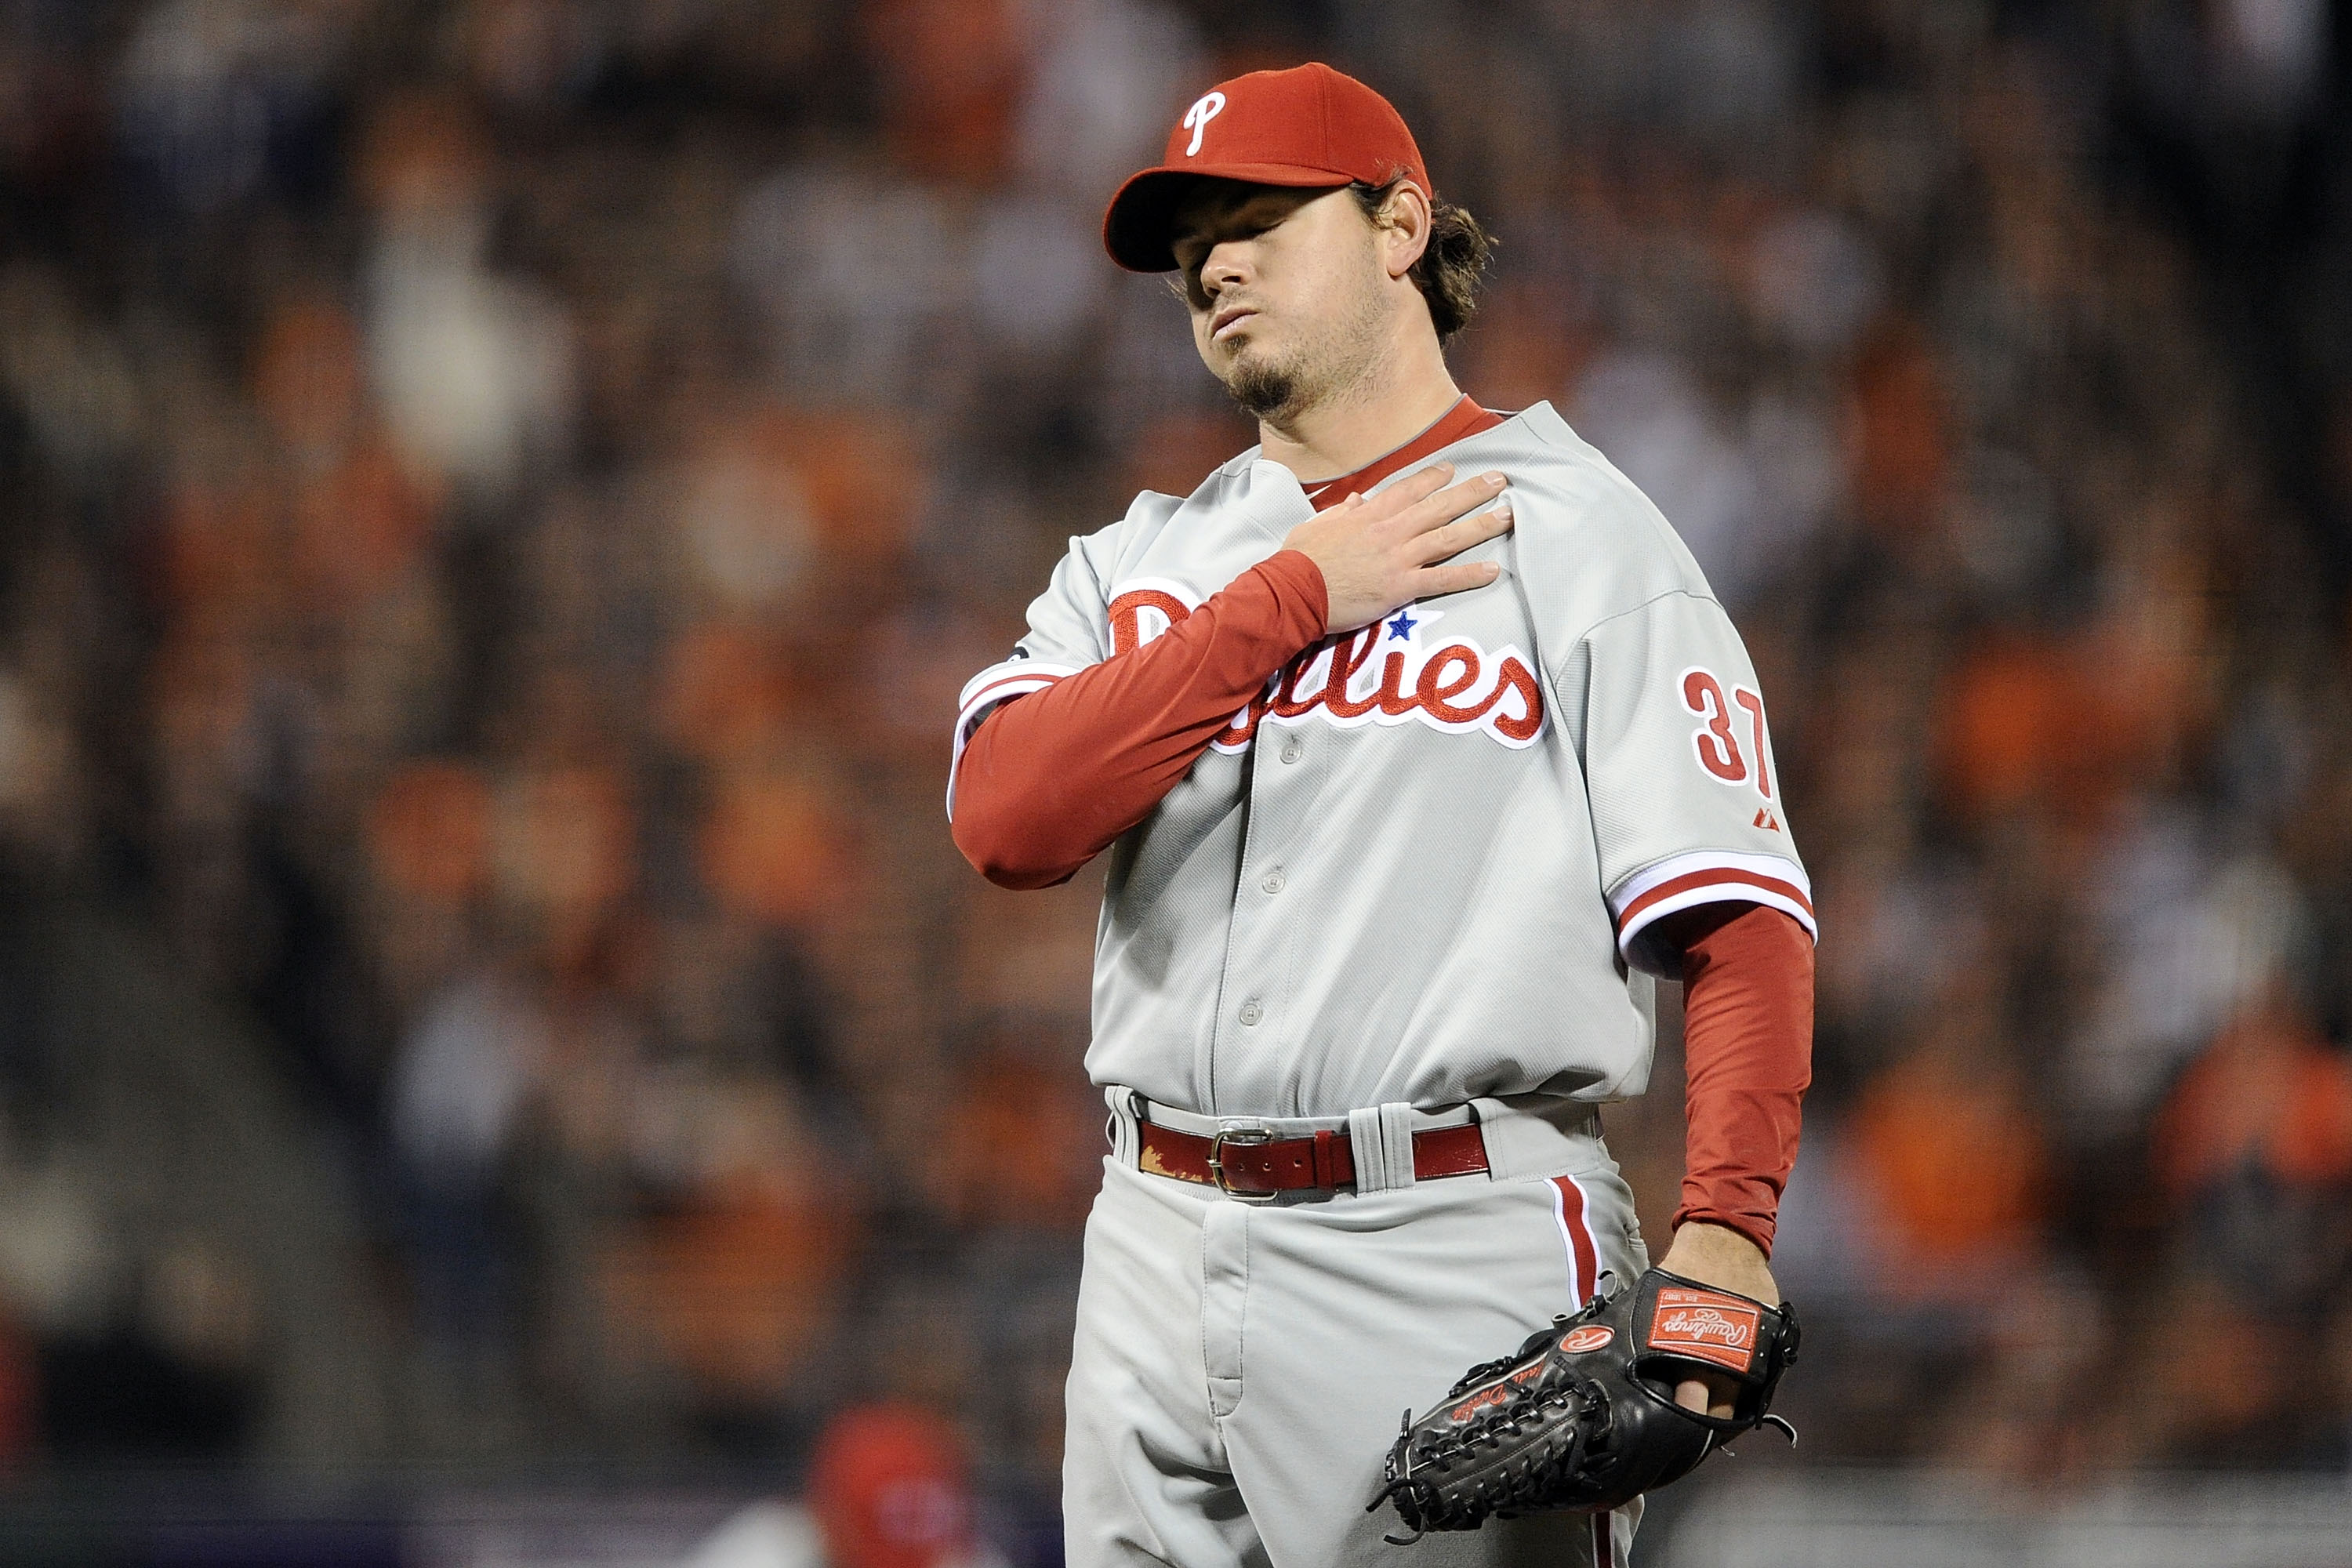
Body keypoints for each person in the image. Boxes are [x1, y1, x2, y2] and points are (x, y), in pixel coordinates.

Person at [947, 62, 1814, 1568]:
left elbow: (1740, 915)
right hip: (1150, 1240)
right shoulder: (1140, 559)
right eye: (1190, 239)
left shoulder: (1579, 531)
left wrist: (1727, 1230)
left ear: (1402, 224)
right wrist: (1295, 598)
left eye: (1261, 216)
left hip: (1448, 1239)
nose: (1213, 261)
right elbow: (1007, 819)